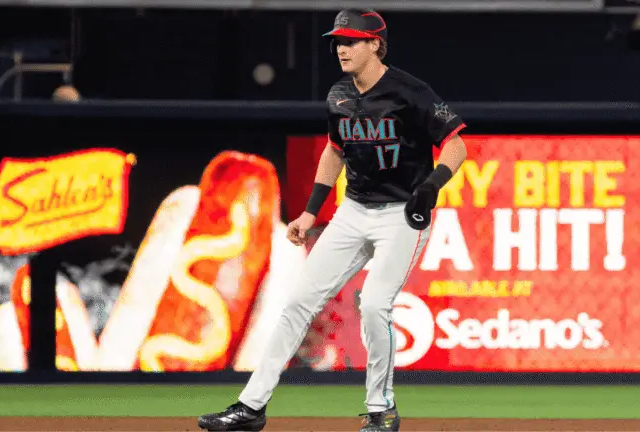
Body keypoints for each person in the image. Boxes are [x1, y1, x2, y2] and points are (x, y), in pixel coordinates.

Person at [198, 8, 467, 432]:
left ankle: (381, 409)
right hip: (353, 211)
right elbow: (335, 149)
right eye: (338, 41)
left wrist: (432, 185)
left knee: (374, 305)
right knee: (296, 303)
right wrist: (309, 212)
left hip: (401, 214)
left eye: (351, 41)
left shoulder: (410, 91)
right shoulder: (339, 94)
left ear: (375, 44)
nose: (342, 48)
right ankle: (250, 408)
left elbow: (455, 145)